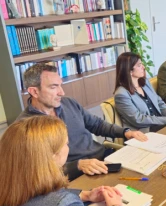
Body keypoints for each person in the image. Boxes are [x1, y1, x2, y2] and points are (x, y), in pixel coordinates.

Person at [0, 116, 138, 206]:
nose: (69, 147)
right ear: (52, 155)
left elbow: (35, 196)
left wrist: (85, 195)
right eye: (66, 143)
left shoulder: (9, 185)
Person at [16, 63, 148, 181]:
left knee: (147, 171)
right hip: (75, 175)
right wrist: (78, 165)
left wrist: (126, 132)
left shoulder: (69, 103)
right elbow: (39, 172)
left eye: (60, 85)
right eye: (53, 87)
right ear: (34, 91)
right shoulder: (25, 128)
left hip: (103, 158)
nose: (61, 92)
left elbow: (97, 124)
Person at [114, 52, 166, 133]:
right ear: (129, 71)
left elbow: (159, 102)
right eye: (139, 65)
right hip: (145, 131)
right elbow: (138, 120)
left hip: (161, 123)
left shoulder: (145, 82)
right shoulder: (121, 95)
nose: (143, 67)